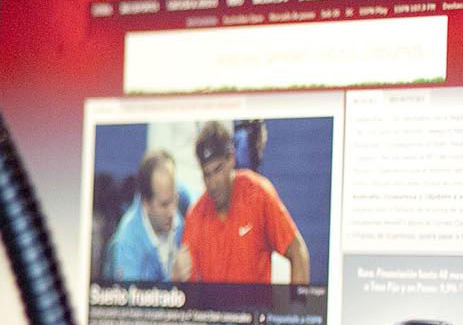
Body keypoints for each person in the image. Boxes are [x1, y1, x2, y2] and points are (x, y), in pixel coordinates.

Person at [177, 119, 314, 285]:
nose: (213, 183)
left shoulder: (259, 194)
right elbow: (186, 286)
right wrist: (178, 279)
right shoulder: (195, 216)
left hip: (256, 302)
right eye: (207, 174)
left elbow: (298, 252)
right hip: (214, 302)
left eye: (218, 169)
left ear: (231, 159)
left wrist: (296, 301)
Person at [103, 148, 189, 282]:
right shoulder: (126, 246)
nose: (173, 211)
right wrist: (173, 280)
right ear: (146, 203)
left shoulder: (174, 194)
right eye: (164, 205)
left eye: (175, 199)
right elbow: (132, 295)